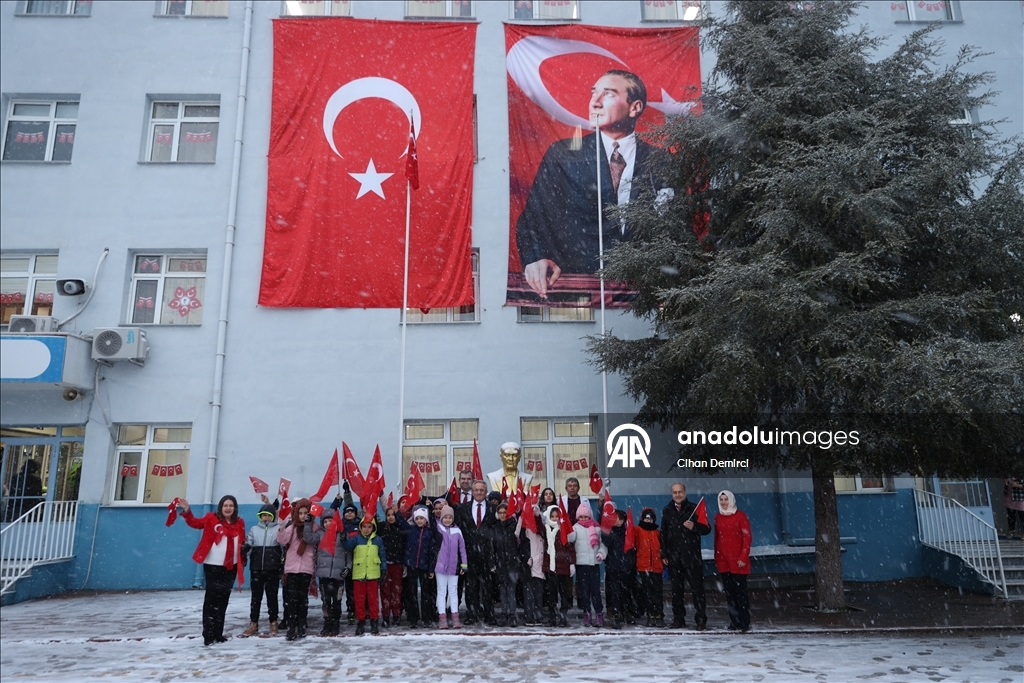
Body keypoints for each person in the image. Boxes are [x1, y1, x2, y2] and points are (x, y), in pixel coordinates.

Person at [515, 69, 672, 298]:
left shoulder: (661, 162)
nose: (594, 103)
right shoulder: (563, 155)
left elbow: (675, 228)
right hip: (579, 294)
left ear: (635, 107)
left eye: (608, 94)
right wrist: (535, 258)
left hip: (644, 295)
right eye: (593, 93)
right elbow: (534, 218)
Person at [178, 495, 246, 646]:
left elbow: (242, 540)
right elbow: (195, 523)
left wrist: (245, 549)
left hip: (231, 566)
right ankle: (208, 633)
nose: (228, 508)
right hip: (213, 565)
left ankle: (218, 633)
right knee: (211, 600)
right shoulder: (211, 518)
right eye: (225, 505)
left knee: (223, 600)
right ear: (221, 507)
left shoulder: (239, 522)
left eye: (231, 505)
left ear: (234, 508)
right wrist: (187, 510)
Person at [661, 483, 711, 630]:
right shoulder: (667, 510)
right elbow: (663, 533)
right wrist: (664, 553)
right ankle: (678, 619)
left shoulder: (694, 508)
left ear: (685, 492)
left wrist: (694, 527)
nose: (677, 494)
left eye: (680, 492)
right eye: (675, 492)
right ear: (672, 494)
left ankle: (700, 619)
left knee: (697, 590)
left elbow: (706, 529)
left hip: (692, 557)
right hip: (674, 557)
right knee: (676, 591)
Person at [277, 498, 318, 641]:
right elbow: (283, 540)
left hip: (306, 568)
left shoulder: (313, 527)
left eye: (305, 513)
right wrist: (281, 527)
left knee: (302, 598)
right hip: (292, 568)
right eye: (300, 513)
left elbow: (314, 539)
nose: (302, 516)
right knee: (292, 599)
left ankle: (302, 624)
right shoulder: (292, 527)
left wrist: (308, 524)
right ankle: (291, 625)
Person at [456, 479, 496, 625]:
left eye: (482, 490)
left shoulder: (493, 509)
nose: (479, 492)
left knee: (488, 587)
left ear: (486, 492)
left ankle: (489, 615)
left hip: (487, 554)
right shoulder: (463, 508)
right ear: (472, 492)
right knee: (471, 586)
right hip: (469, 554)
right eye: (476, 490)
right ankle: (471, 614)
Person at [308, 506, 351, 636]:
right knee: (326, 600)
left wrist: (348, 567)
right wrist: (308, 522)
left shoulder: (342, 534)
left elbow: (348, 553)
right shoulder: (320, 534)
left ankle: (336, 622)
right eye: (325, 521)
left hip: (338, 574)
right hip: (324, 574)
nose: (328, 524)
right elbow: (308, 539)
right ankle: (327, 621)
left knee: (337, 600)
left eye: (330, 521)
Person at [240, 503, 282, 637]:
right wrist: (245, 548)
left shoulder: (278, 529)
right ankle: (253, 623)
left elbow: (282, 547)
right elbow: (249, 544)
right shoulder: (254, 529)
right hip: (257, 568)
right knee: (255, 597)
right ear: (260, 516)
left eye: (269, 516)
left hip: (272, 569)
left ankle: (273, 621)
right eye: (263, 515)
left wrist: (281, 563)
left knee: (272, 597)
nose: (266, 518)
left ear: (273, 517)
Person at [714, 490, 752, 632]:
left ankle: (744, 622)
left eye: (726, 499)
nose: (724, 502)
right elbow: (717, 539)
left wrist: (743, 557)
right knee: (729, 594)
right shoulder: (718, 517)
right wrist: (717, 557)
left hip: (738, 561)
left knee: (740, 593)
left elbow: (747, 538)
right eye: (721, 500)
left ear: (731, 500)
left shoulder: (740, 516)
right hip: (724, 561)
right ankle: (734, 621)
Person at [395, 505, 437, 628]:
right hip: (411, 565)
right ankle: (413, 618)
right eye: (417, 518)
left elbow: (431, 552)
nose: (419, 521)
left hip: (424, 567)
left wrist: (431, 569)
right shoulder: (410, 530)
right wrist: (397, 512)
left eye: (422, 518)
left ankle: (426, 618)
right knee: (411, 593)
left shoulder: (429, 533)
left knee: (426, 594)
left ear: (426, 520)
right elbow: (402, 523)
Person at [344, 515, 387, 635]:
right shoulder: (357, 539)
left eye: (369, 527)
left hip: (373, 574)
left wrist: (384, 569)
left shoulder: (378, 540)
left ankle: (374, 622)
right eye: (364, 527)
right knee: (359, 601)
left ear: (373, 528)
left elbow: (382, 555)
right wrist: (343, 539)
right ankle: (361, 623)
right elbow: (347, 546)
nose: (367, 529)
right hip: (359, 574)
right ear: (360, 527)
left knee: (373, 600)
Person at [571, 499, 607, 626]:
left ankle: (599, 613)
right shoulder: (575, 528)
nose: (583, 518)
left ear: (590, 516)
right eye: (581, 516)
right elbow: (570, 539)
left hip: (594, 565)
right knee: (584, 591)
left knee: (595, 591)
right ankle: (586, 612)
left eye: (586, 516)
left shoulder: (596, 528)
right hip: (581, 565)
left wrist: (602, 553)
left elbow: (603, 544)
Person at [489, 501, 524, 627]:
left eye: (505, 512)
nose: (503, 515)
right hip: (500, 563)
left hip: (512, 563)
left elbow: (518, 543)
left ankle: (512, 615)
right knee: (502, 591)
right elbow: (492, 546)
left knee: (511, 590)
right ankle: (504, 614)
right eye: (500, 513)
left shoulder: (513, 525)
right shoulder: (495, 527)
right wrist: (492, 562)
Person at [433, 504, 468, 629]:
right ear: (441, 518)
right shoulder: (438, 528)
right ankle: (442, 617)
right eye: (445, 517)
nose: (447, 519)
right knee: (441, 591)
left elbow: (462, 549)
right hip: (440, 566)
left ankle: (455, 617)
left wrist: (464, 565)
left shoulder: (457, 530)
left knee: (453, 591)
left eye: (450, 517)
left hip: (454, 567)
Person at [541, 504, 576, 627]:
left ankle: (563, 617)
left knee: (564, 594)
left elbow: (570, 548)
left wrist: (572, 563)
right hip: (550, 568)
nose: (555, 518)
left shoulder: (564, 529)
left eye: (557, 516)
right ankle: (552, 617)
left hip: (563, 567)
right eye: (552, 516)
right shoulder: (545, 529)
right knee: (551, 595)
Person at [602, 508, 636, 629]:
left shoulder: (628, 531)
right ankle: (616, 615)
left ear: (622, 521)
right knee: (615, 591)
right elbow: (606, 542)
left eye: (615, 518)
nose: (612, 519)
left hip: (625, 566)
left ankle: (626, 612)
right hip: (613, 566)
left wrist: (630, 563)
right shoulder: (609, 531)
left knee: (625, 591)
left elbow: (632, 548)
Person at [634, 507, 665, 627]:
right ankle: (650, 614)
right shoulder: (638, 530)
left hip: (657, 567)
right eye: (646, 519)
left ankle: (659, 614)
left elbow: (662, 547)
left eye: (650, 519)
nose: (648, 521)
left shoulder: (657, 532)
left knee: (658, 592)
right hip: (644, 566)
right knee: (647, 592)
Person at [377, 505, 407, 628]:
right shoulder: (382, 528)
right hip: (385, 565)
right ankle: (385, 616)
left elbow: (404, 548)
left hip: (397, 565)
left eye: (392, 515)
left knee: (397, 591)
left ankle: (396, 615)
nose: (390, 517)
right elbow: (371, 520)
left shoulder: (401, 529)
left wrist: (404, 564)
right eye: (388, 515)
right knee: (385, 592)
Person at [521, 503, 547, 626]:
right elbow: (518, 540)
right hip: (529, 564)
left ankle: (538, 615)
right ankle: (529, 616)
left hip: (540, 564)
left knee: (538, 592)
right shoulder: (524, 529)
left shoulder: (541, 530)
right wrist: (525, 557)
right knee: (528, 593)